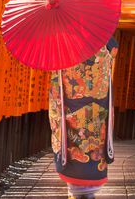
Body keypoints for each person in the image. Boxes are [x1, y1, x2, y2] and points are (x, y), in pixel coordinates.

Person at [48, 35, 119, 199]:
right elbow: (113, 49)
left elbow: (56, 87)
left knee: (73, 146)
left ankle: (77, 193)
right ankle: (85, 193)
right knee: (91, 150)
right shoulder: (102, 38)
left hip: (72, 108)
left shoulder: (64, 41)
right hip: (96, 108)